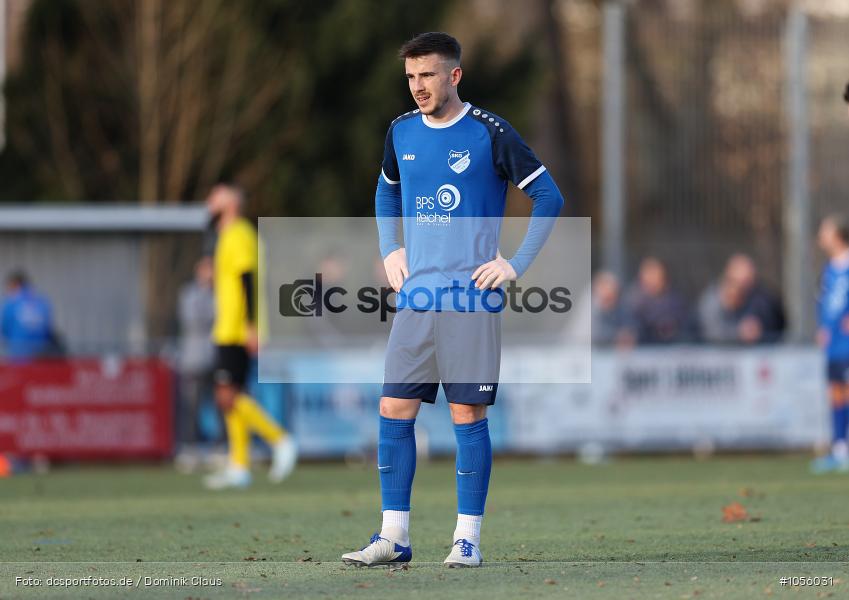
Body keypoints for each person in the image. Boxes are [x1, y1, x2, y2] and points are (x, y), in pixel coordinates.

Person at [342, 32, 563, 568]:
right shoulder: (400, 131)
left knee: (467, 412)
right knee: (394, 405)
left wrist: (514, 264)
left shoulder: (491, 133)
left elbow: (548, 196)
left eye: (428, 75)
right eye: (411, 77)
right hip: (417, 297)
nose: (418, 87)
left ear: (454, 76)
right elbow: (386, 188)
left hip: (471, 299)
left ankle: (467, 540)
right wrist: (390, 247)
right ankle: (393, 536)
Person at [202, 184, 297, 489]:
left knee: (227, 395)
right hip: (229, 325)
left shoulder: (238, 233)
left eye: (214, 199)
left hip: (236, 327)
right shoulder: (229, 236)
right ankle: (239, 465)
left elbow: (247, 279)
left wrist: (251, 325)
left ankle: (279, 440)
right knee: (232, 396)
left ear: (229, 204)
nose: (208, 204)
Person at [811, 215, 849, 473]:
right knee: (835, 392)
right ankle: (838, 448)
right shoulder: (828, 269)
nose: (820, 236)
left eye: (825, 231)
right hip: (834, 343)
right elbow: (823, 302)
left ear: (837, 234)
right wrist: (823, 327)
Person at [175, 256, 218, 470]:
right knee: (191, 405)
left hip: (216, 357)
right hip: (194, 359)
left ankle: (220, 448)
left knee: (221, 403)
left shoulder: (219, 293)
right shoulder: (190, 293)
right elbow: (194, 320)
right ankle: (189, 449)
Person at [698, 254, 785, 344]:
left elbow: (777, 325)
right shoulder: (712, 302)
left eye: (749, 283)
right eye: (741, 284)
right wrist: (739, 333)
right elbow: (710, 333)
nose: (745, 289)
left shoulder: (761, 299)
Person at [621, 257, 692, 344]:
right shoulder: (632, 301)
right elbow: (630, 329)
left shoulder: (675, 300)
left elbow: (685, 324)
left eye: (657, 274)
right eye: (650, 274)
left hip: (672, 349)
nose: (653, 278)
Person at [0, 270, 60, 361]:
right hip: (42, 355)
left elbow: (5, 328)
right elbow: (48, 328)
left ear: (15, 284)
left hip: (19, 354)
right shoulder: (42, 301)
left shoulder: (11, 303)